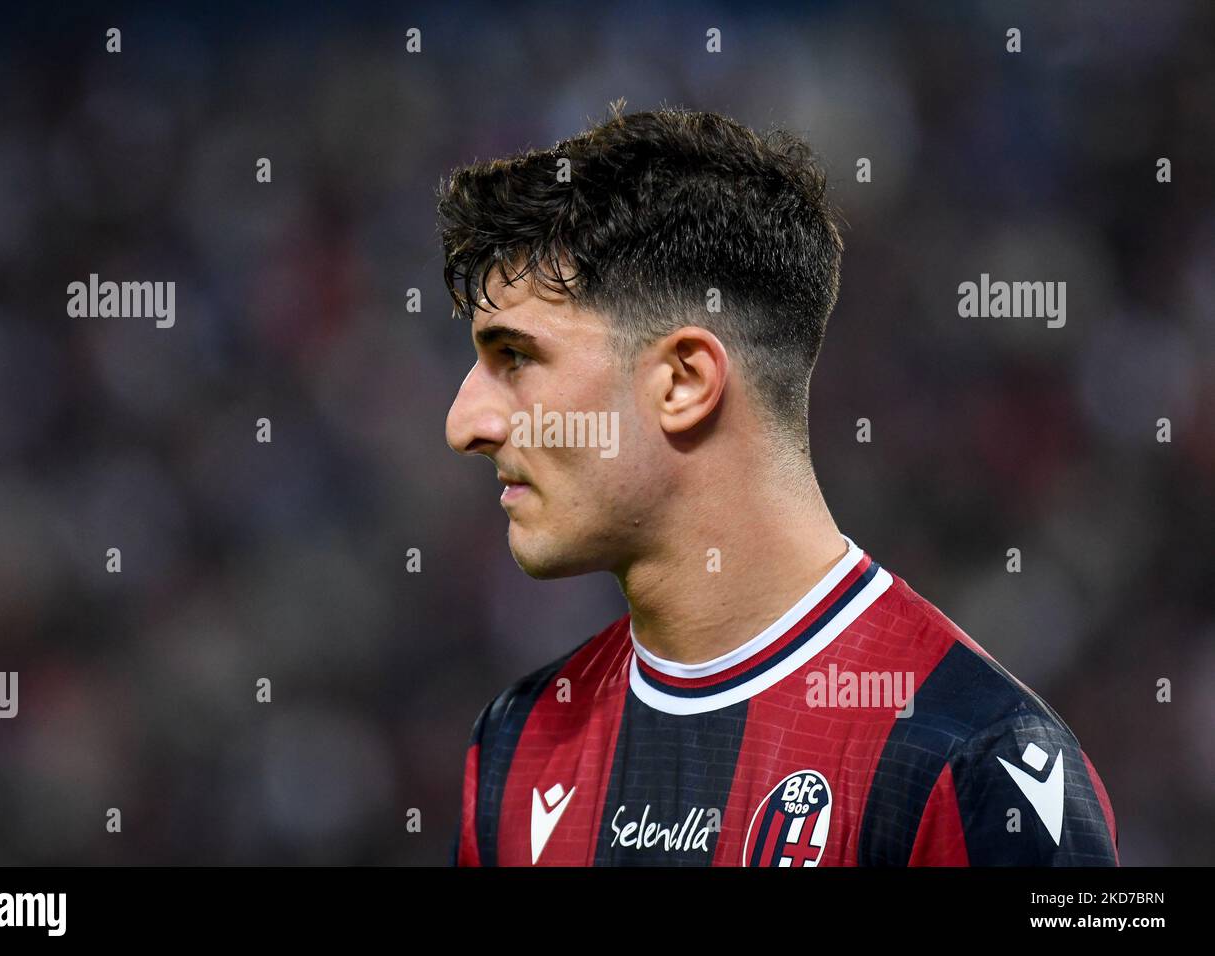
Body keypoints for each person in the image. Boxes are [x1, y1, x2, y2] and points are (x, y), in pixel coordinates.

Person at [436, 105, 1119, 866]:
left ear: (684, 382)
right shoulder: (518, 743)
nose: (466, 423)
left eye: (516, 358)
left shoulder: (973, 762)